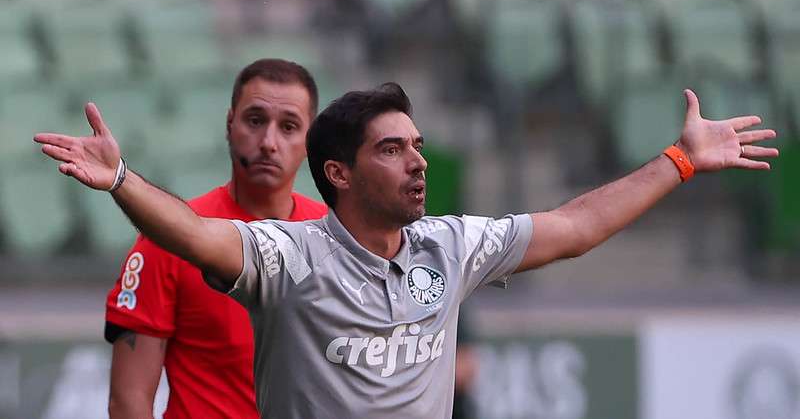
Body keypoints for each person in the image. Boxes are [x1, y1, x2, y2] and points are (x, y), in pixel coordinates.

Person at [34, 82, 778, 418]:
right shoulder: (292, 258)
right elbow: (194, 235)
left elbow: (575, 227)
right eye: (393, 150)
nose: (419, 162)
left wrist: (678, 162)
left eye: (419, 146)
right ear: (340, 174)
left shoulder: (450, 246)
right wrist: (123, 180)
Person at [102, 59, 327, 419]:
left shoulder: (334, 237)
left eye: (288, 126)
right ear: (229, 124)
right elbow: (128, 401)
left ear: (310, 140)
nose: (269, 142)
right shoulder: (168, 237)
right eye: (255, 121)